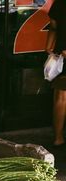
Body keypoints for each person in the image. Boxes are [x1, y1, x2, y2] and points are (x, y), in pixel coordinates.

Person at [46, 0, 66, 147]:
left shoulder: (59, 3)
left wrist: (48, 47)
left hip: (62, 55)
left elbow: (53, 26)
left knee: (61, 96)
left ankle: (58, 137)